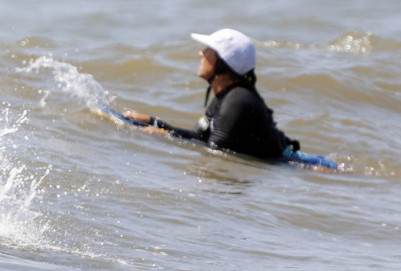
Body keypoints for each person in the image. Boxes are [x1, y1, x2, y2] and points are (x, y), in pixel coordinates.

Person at [123, 28, 338, 169]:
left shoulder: (237, 102)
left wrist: (163, 135)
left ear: (223, 62)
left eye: (208, 50)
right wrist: (153, 122)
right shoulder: (226, 96)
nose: (200, 53)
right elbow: (199, 138)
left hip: (310, 166)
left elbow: (215, 152)